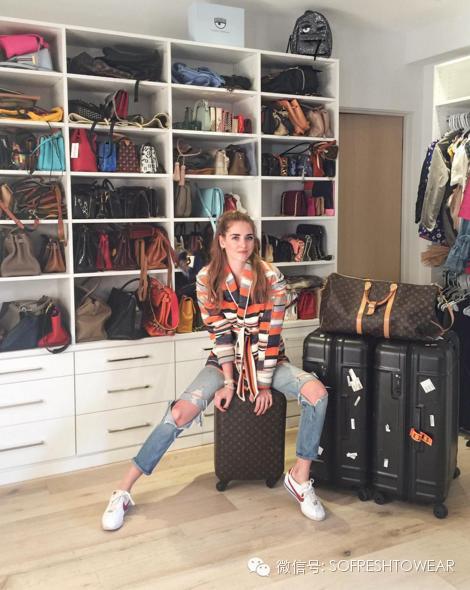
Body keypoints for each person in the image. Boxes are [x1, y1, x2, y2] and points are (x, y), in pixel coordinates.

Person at [101, 211, 328, 531]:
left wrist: (263, 385)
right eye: (235, 237)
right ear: (221, 241)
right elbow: (220, 336)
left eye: (249, 238)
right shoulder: (207, 278)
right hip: (225, 361)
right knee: (178, 413)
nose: (243, 245)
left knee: (317, 394)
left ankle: (300, 477)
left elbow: (271, 334)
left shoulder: (271, 276)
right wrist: (229, 381)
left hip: (267, 360)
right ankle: (123, 491)